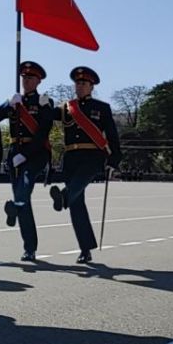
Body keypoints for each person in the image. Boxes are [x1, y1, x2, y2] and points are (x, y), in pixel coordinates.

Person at [49, 67, 122, 263]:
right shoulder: (66, 108)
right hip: (71, 157)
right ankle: (85, 248)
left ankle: (63, 196)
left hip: (92, 157)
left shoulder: (102, 108)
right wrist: (42, 103)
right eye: (77, 83)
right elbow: (45, 115)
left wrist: (114, 160)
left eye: (84, 83)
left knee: (76, 186)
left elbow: (112, 136)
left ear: (91, 87)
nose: (79, 86)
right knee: (77, 204)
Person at [0, 61, 55, 262]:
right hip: (14, 154)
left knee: (25, 186)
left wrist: (25, 154)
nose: (26, 81)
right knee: (23, 199)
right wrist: (6, 105)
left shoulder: (44, 102)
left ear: (38, 81)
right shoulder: (15, 101)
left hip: (35, 153)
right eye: (24, 78)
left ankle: (16, 208)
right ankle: (30, 247)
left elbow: (44, 131)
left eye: (30, 78)